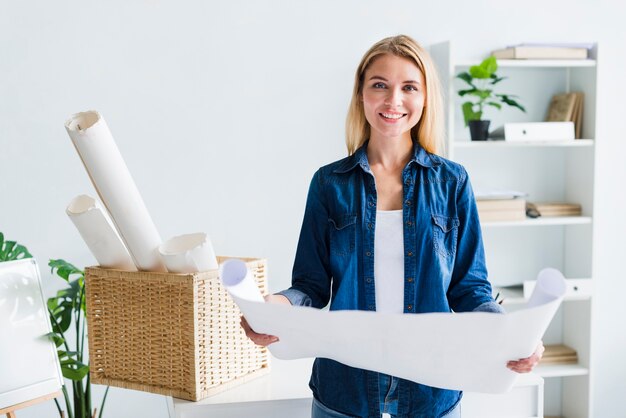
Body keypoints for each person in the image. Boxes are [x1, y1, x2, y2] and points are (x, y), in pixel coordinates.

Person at [241, 34, 544, 418]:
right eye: (379, 85)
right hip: (344, 393)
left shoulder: (452, 183)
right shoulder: (329, 183)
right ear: (361, 95)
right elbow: (310, 286)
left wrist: (514, 336)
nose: (393, 100)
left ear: (425, 98)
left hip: (432, 393)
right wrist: (273, 308)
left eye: (409, 87)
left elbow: (469, 289)